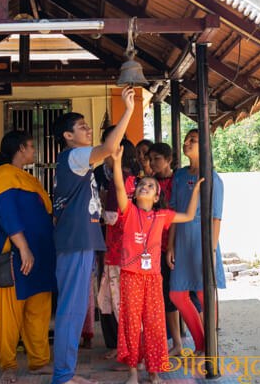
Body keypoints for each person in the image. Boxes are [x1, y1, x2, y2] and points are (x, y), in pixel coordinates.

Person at [51, 86, 135, 384]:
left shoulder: (77, 160)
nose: (87, 129)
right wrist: (128, 111)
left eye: (88, 125)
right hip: (75, 241)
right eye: (81, 126)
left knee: (74, 310)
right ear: (67, 136)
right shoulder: (74, 156)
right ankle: (62, 376)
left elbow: (109, 151)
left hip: (80, 240)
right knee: (70, 311)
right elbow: (110, 146)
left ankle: (67, 373)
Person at [112, 146, 203, 384]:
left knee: (154, 325)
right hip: (130, 275)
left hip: (152, 278)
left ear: (156, 197)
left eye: (151, 186)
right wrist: (116, 161)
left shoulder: (162, 216)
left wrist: (196, 191)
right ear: (136, 193)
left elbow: (190, 215)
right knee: (132, 324)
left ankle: (154, 373)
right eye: (142, 185)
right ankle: (133, 372)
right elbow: (120, 187)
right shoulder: (128, 211)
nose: (145, 187)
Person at [0, 131, 55, 384]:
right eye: (31, 147)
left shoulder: (29, 179)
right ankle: (7, 364)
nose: (34, 151)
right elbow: (7, 215)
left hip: (41, 253)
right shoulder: (3, 175)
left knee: (39, 310)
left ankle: (39, 361)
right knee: (11, 313)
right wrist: (23, 247)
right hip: (16, 254)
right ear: (20, 148)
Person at [167, 129, 225, 356]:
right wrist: (170, 245)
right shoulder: (179, 176)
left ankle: (210, 346)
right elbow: (172, 212)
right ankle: (201, 343)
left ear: (205, 145)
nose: (187, 142)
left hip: (203, 242)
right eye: (186, 139)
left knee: (203, 293)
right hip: (181, 241)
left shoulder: (213, 177)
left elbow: (216, 217)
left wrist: (211, 249)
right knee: (177, 294)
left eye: (193, 140)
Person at [97, 138, 138, 358]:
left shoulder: (116, 182)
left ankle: (130, 350)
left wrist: (100, 207)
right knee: (130, 304)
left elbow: (111, 218)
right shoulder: (137, 180)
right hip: (135, 251)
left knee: (120, 304)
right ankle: (131, 348)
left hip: (116, 251)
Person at [148, 142, 182, 355]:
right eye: (150, 159)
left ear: (169, 160)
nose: (152, 163)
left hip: (173, 244)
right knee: (160, 295)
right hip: (153, 245)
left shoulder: (177, 181)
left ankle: (179, 342)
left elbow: (178, 214)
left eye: (157, 159)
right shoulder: (149, 183)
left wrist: (171, 246)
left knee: (175, 294)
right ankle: (170, 341)